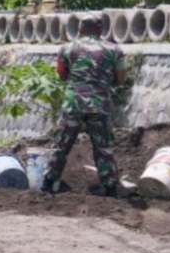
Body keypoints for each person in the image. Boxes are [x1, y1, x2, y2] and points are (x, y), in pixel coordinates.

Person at [42, 15, 125, 196]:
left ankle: (47, 184)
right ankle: (110, 188)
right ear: (101, 30)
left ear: (80, 29)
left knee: (62, 144)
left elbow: (62, 76)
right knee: (103, 147)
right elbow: (120, 80)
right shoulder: (115, 50)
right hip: (100, 104)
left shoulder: (66, 48)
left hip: (74, 103)